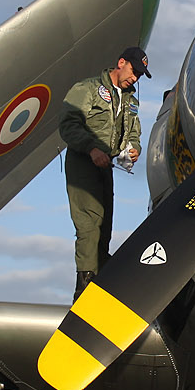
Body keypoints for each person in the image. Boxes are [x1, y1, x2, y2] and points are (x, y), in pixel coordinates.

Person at [60, 46, 150, 299]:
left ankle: (99, 279)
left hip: (106, 166)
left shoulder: (130, 99)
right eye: (134, 71)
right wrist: (91, 149)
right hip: (83, 162)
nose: (135, 78)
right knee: (89, 223)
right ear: (121, 63)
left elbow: (133, 132)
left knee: (104, 227)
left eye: (140, 75)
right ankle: (84, 286)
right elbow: (68, 124)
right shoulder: (87, 89)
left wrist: (134, 149)